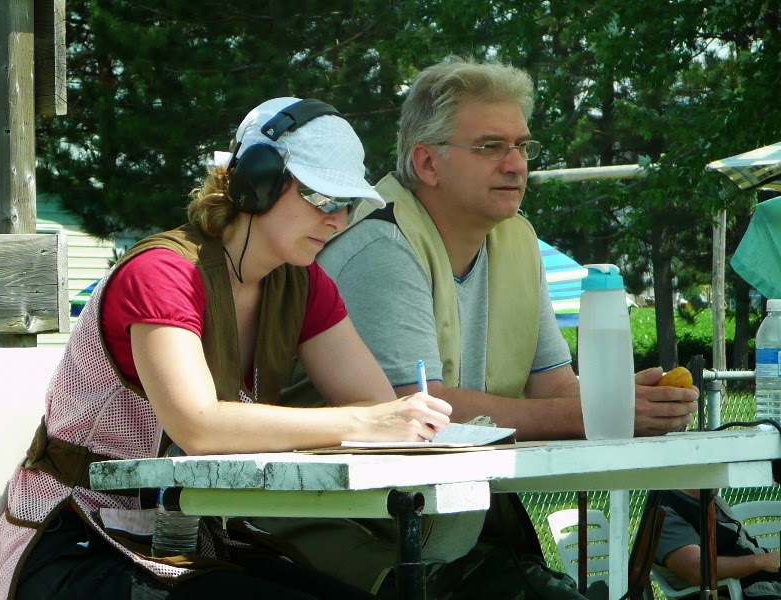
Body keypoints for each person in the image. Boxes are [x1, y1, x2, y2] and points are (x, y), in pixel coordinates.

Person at [0, 97, 452, 600]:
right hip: (73, 539)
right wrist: (366, 422)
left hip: (187, 539)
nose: (337, 219)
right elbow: (199, 426)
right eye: (321, 197)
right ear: (256, 183)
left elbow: (376, 408)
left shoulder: (304, 284)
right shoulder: (162, 273)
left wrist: (380, 420)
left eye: (347, 203)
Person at [266, 57, 701, 598]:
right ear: (428, 163)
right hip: (344, 543)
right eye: (491, 147)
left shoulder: (515, 238)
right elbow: (413, 415)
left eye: (522, 145)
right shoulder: (378, 246)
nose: (516, 164)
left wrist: (625, 401)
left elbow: (554, 388)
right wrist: (599, 413)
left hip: (441, 539)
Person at [655, 489, 781, 598]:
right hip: (738, 594)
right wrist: (762, 561)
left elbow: (742, 545)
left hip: (768, 585)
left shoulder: (713, 500)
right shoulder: (667, 513)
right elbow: (697, 571)